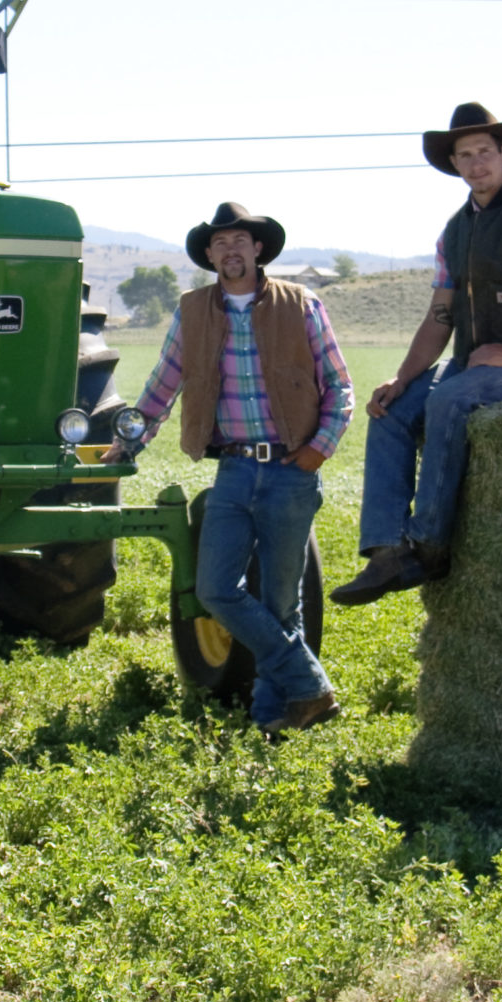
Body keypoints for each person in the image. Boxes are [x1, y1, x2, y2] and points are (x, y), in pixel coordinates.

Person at [334, 103, 502, 606]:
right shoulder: (454, 231)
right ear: (454, 163)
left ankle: (429, 547)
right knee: (391, 410)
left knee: (449, 399)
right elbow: (440, 316)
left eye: (484, 152)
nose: (476, 164)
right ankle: (387, 551)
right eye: (465, 156)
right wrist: (402, 378)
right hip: (473, 365)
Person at [116, 202, 353, 734]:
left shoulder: (302, 304)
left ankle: (273, 717)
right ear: (210, 255)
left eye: (239, 240)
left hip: (291, 469)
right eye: (220, 243)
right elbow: (163, 383)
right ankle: (311, 685)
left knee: (281, 603)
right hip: (233, 471)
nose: (230, 250)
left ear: (258, 248)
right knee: (216, 589)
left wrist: (321, 447)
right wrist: (128, 442)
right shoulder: (193, 310)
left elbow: (340, 384)